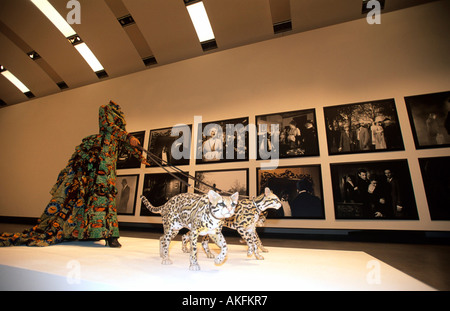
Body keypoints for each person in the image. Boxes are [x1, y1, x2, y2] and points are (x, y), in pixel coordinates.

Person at [0, 101, 149, 247]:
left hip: (110, 160)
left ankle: (99, 232)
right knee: (96, 195)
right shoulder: (105, 108)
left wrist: (140, 157)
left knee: (106, 194)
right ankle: (110, 235)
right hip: (99, 157)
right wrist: (128, 137)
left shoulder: (120, 114)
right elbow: (109, 127)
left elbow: (121, 140)